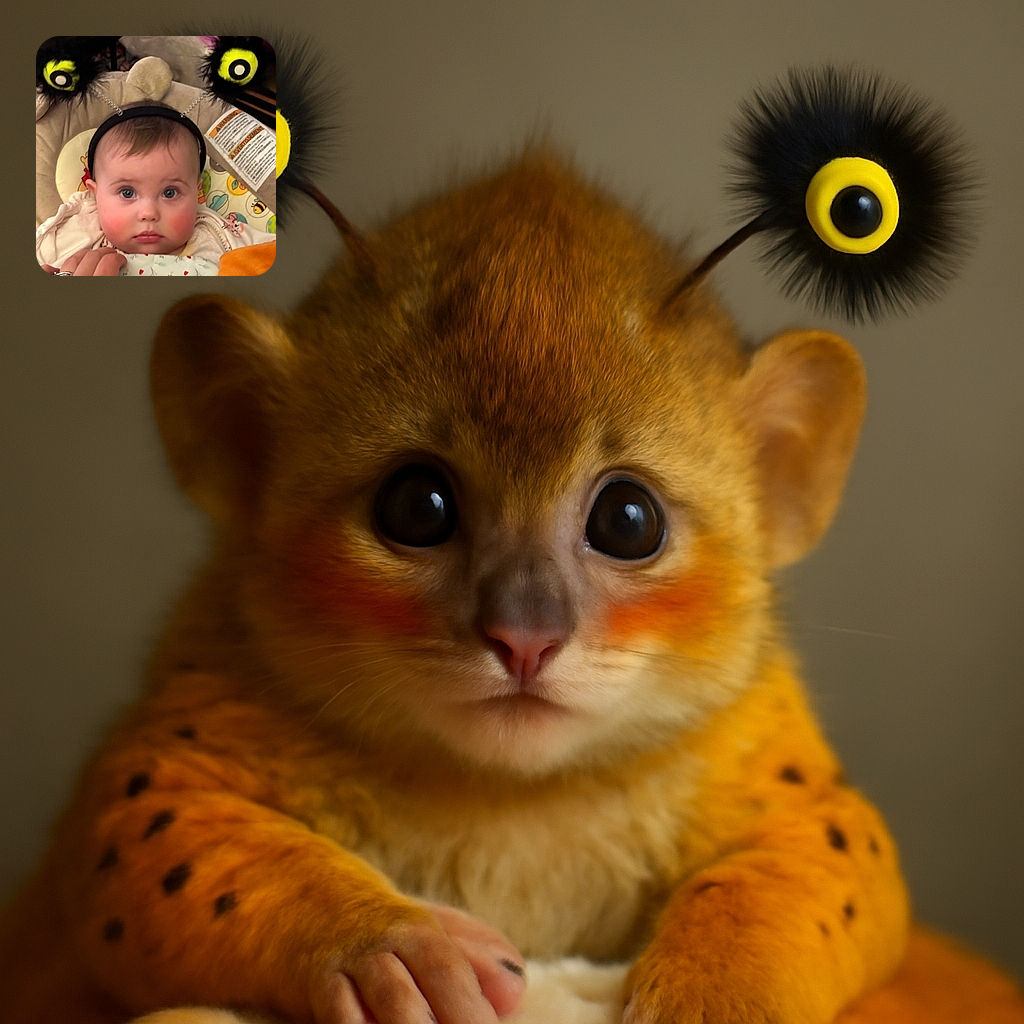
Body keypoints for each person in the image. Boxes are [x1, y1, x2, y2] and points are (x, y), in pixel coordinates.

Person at [37, 102, 274, 277]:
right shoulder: (74, 236)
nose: (149, 213)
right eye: (127, 192)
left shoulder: (223, 235)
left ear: (197, 193)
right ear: (95, 194)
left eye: (170, 192)